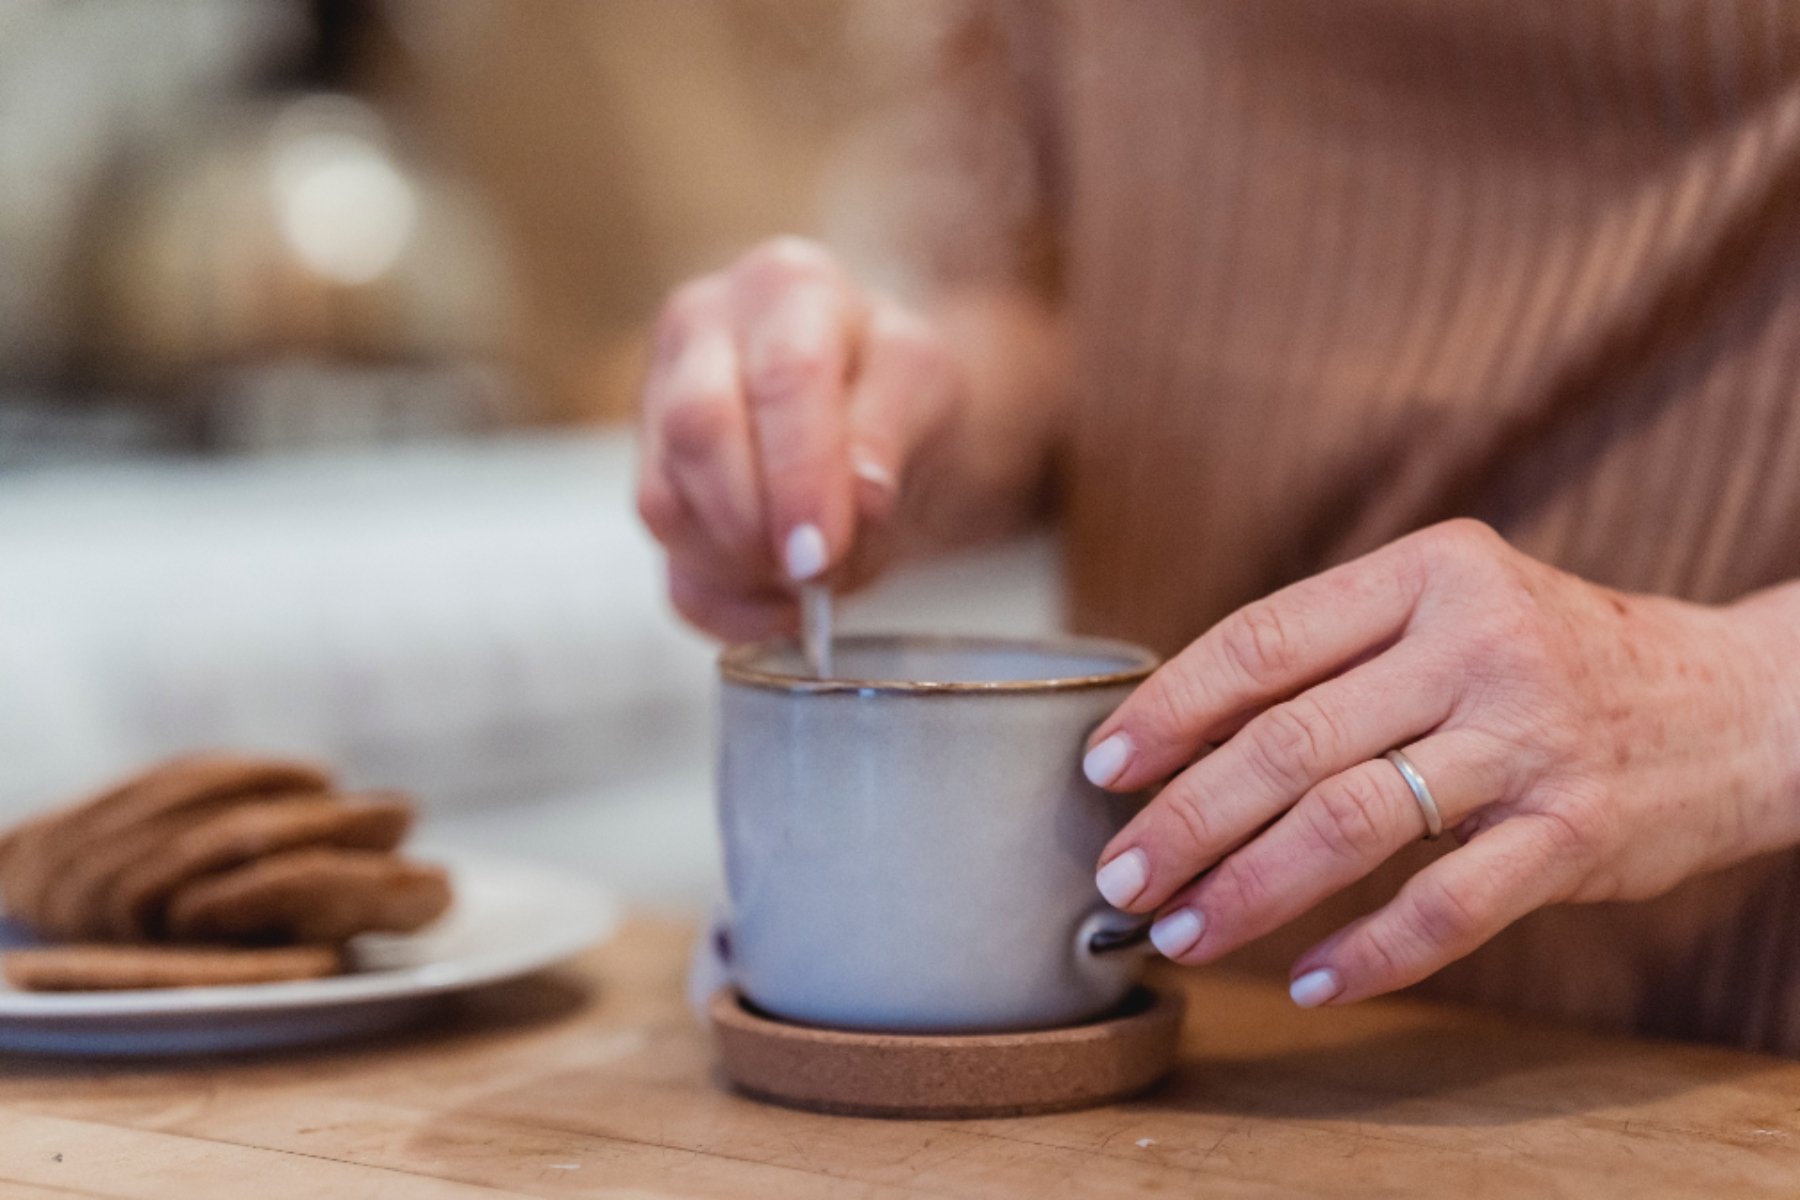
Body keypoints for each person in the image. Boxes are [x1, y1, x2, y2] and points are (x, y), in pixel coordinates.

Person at [635, 1, 1800, 1053]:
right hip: (1190, 1028)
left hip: (1727, 1028)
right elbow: (1043, 287)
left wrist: (1739, 698)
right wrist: (894, 419)